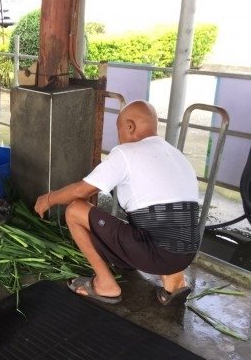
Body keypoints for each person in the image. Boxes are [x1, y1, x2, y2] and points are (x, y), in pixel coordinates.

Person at [34, 100, 200, 306]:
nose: (118, 136)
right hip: (187, 253)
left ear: (129, 126)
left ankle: (105, 284)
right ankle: (175, 282)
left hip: (156, 254)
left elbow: (81, 190)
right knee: (166, 224)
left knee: (75, 210)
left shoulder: (126, 153)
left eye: (119, 129)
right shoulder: (175, 155)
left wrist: (48, 198)